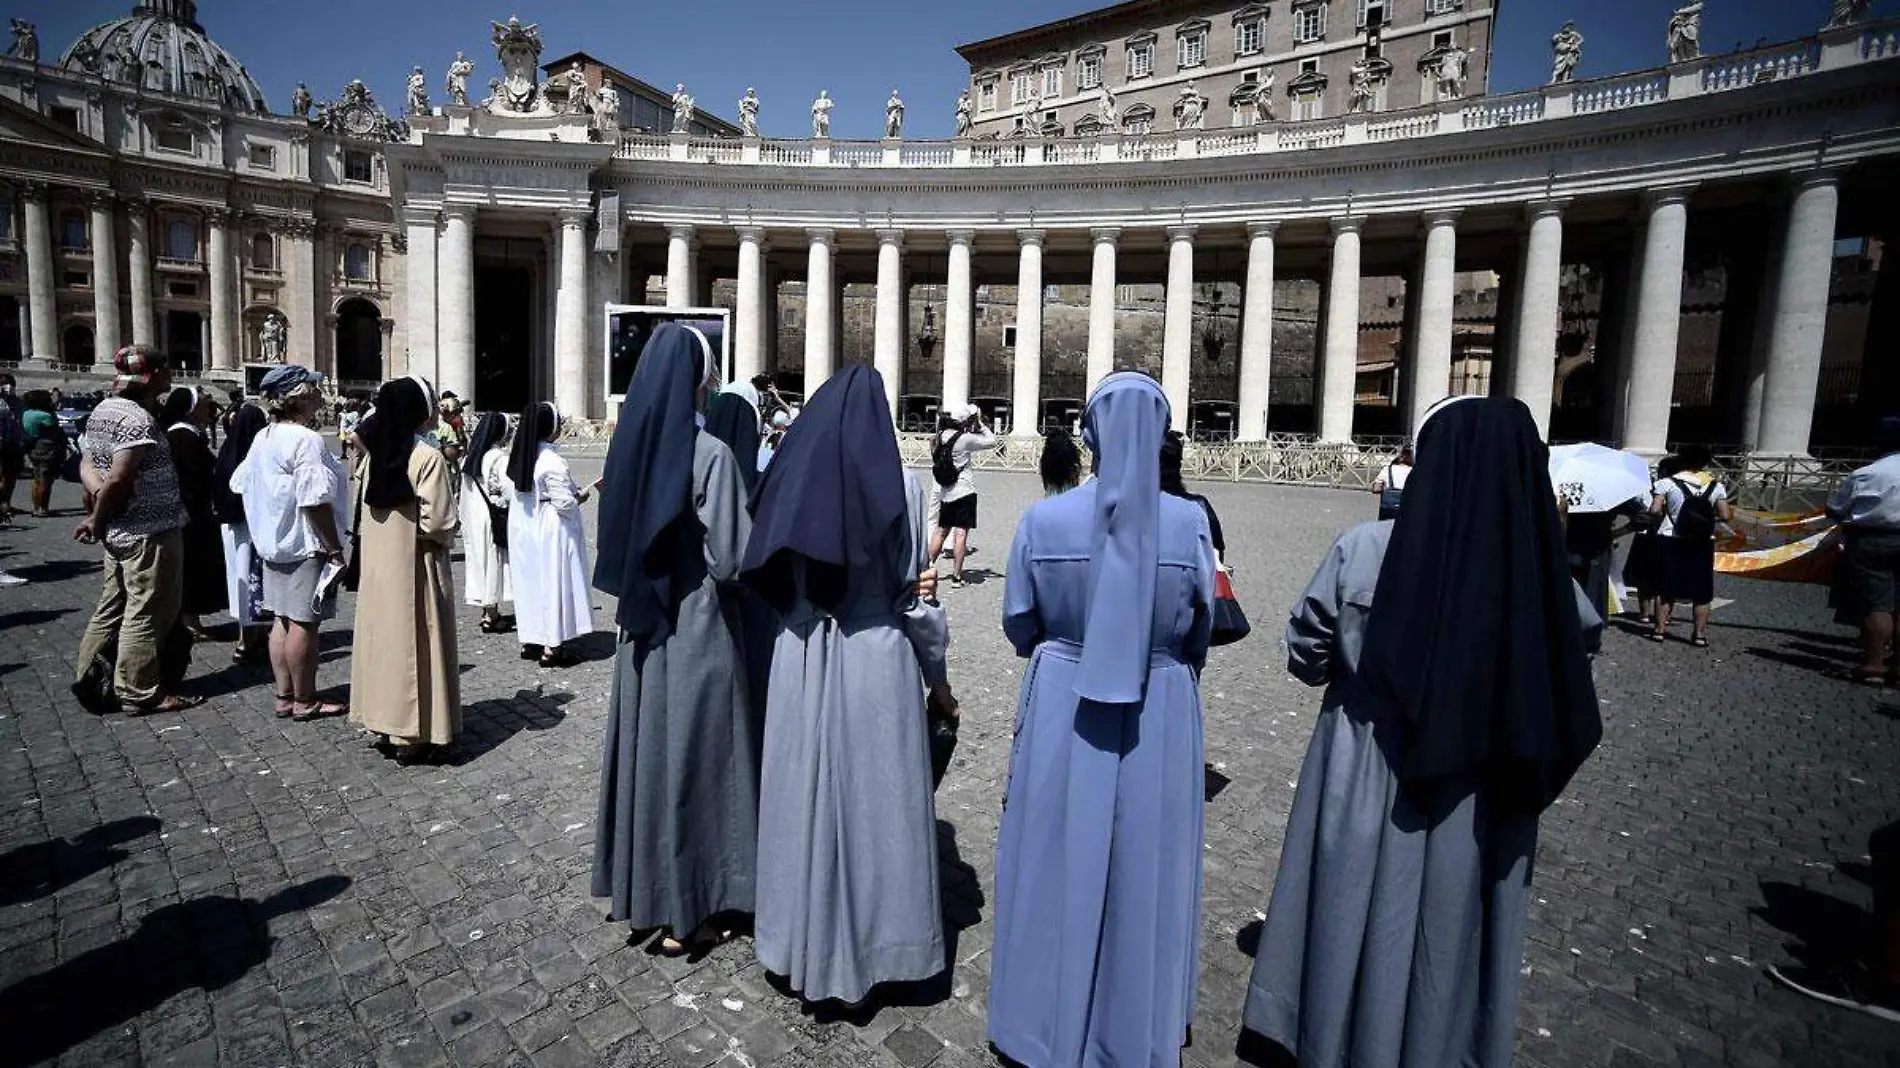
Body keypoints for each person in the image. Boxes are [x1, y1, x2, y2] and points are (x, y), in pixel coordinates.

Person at [1241, 396, 1602, 1068]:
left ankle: (1331, 1035)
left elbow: (1306, 653)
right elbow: (1570, 684)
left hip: (1368, 758)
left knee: (1354, 900)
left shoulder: (1363, 549)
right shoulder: (1547, 581)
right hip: (1484, 785)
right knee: (1450, 926)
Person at [987, 373, 1215, 1068]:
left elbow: (1018, 622)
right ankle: (1135, 1026)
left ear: (1087, 435)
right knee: (1151, 861)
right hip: (1162, 702)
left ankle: (1037, 1022)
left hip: (1064, 692)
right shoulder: (1191, 524)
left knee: (1051, 853)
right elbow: (1203, 628)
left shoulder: (1043, 520)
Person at [741, 364, 955, 1005]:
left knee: (802, 796)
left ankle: (793, 937)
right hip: (876, 658)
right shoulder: (905, 486)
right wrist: (937, 678)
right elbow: (912, 597)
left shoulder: (788, 478)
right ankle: (880, 949)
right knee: (874, 806)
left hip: (801, 654)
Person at [591, 324, 760, 956]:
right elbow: (732, 559)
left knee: (647, 754)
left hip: (641, 631)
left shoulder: (624, 451)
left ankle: (643, 896)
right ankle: (689, 906)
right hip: (697, 627)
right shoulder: (711, 454)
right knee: (696, 757)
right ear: (698, 379)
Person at [70, 345, 199, 715]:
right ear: (155, 375)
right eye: (165, 369)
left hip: (120, 528)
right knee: (148, 609)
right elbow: (121, 475)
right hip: (148, 529)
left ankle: (90, 677)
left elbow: (87, 465)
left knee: (111, 605)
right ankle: (138, 690)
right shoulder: (136, 419)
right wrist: (97, 516)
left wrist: (98, 506)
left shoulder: (103, 410)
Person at [350, 377, 461, 764]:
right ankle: (413, 733)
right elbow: (439, 522)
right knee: (418, 645)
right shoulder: (426, 457)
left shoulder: (371, 456)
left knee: (382, 644)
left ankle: (381, 721)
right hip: (416, 565)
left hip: (379, 568)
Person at [231, 365, 350, 721]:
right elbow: (314, 500)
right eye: (314, 388)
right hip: (303, 544)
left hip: (272, 543)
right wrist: (333, 550)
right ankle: (305, 698)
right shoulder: (306, 440)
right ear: (298, 395)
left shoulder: (264, 437)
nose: (319, 393)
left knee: (282, 621)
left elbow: (242, 485)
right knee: (304, 623)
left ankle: (285, 695)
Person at [506, 402, 593, 668]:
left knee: (530, 583)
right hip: (551, 526)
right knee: (554, 582)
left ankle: (531, 638)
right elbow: (564, 503)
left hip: (525, 523)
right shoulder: (552, 460)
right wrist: (580, 497)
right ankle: (552, 646)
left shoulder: (521, 455)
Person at [1826, 421, 1900, 686]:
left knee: (1876, 604)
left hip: (1872, 540)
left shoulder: (1865, 473)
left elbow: (1836, 509)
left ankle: (1874, 665)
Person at [157, 388, 229, 647]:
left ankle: (191, 620)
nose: (209, 410)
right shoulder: (182, 437)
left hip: (195, 510)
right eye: (204, 404)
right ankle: (188, 621)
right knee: (191, 567)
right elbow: (194, 475)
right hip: (191, 512)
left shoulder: (186, 434)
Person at [1649, 444, 1731, 647]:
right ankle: (1699, 635)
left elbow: (1654, 510)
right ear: (1706, 462)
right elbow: (1726, 515)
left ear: (1682, 460)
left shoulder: (1666, 483)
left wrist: (1667, 512)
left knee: (1666, 586)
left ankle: (1659, 630)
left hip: (1671, 538)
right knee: (1702, 591)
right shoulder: (1715, 486)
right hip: (1702, 541)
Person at [213, 401, 272, 664]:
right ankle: (247, 640)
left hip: (232, 527)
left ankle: (250, 635)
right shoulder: (257, 455)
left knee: (240, 580)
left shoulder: (227, 451)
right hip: (252, 527)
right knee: (253, 581)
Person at [926, 404, 998, 588]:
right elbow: (992, 441)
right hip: (964, 490)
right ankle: (957, 577)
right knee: (960, 534)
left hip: (945, 490)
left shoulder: (939, 437)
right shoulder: (965, 439)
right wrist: (980, 423)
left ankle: (925, 568)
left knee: (940, 532)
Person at [459, 411, 513, 633]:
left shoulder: (469, 457)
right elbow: (509, 490)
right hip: (492, 517)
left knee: (479, 562)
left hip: (473, 516)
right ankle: (491, 614)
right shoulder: (499, 458)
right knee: (493, 563)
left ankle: (486, 608)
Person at [21, 389, 69, 519]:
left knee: (36, 479)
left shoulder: (26, 414)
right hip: (47, 448)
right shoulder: (45, 416)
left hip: (33, 448)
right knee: (45, 480)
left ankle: (36, 507)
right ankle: (43, 508)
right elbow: (55, 431)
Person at [1371, 444, 1414, 521]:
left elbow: (1376, 489)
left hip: (1388, 508)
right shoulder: (1414, 472)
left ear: (1400, 457)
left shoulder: (1387, 469)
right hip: (1407, 508)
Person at [1038, 425, 1083, 497]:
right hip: (1070, 496)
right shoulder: (1073, 463)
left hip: (1050, 496)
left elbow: (1045, 484)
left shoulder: (1045, 462)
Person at [0, 372, 21, 524]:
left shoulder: (16, 401)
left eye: (9, 383)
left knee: (10, 475)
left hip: (13, 442)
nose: (6, 386)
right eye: (3, 383)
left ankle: (7, 501)